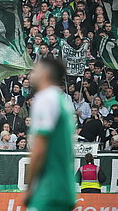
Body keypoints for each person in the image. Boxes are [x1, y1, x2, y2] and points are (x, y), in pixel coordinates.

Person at [24, 58, 76, 211]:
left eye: (35, 70)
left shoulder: (45, 98)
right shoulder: (62, 101)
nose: (31, 74)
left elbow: (39, 149)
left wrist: (30, 187)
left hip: (48, 189)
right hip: (64, 186)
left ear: (45, 73)